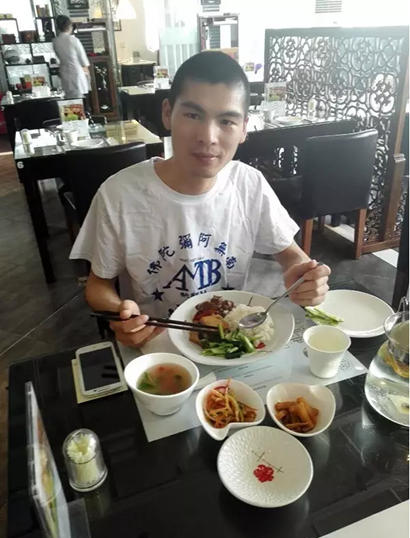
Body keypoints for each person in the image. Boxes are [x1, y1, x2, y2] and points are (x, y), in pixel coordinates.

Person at [70, 51, 331, 348]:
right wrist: (120, 312)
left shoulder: (249, 184)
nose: (208, 136)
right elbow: (98, 285)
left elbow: (293, 257)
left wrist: (305, 278)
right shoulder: (119, 193)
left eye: (227, 121)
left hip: (230, 342)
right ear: (167, 113)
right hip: (156, 346)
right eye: (193, 115)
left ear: (244, 128)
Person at [53, 15, 90, 99]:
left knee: (69, 100)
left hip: (64, 72)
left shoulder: (55, 41)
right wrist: (88, 75)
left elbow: (58, 56)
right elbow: (83, 60)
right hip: (76, 72)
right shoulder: (74, 40)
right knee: (79, 99)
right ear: (69, 26)